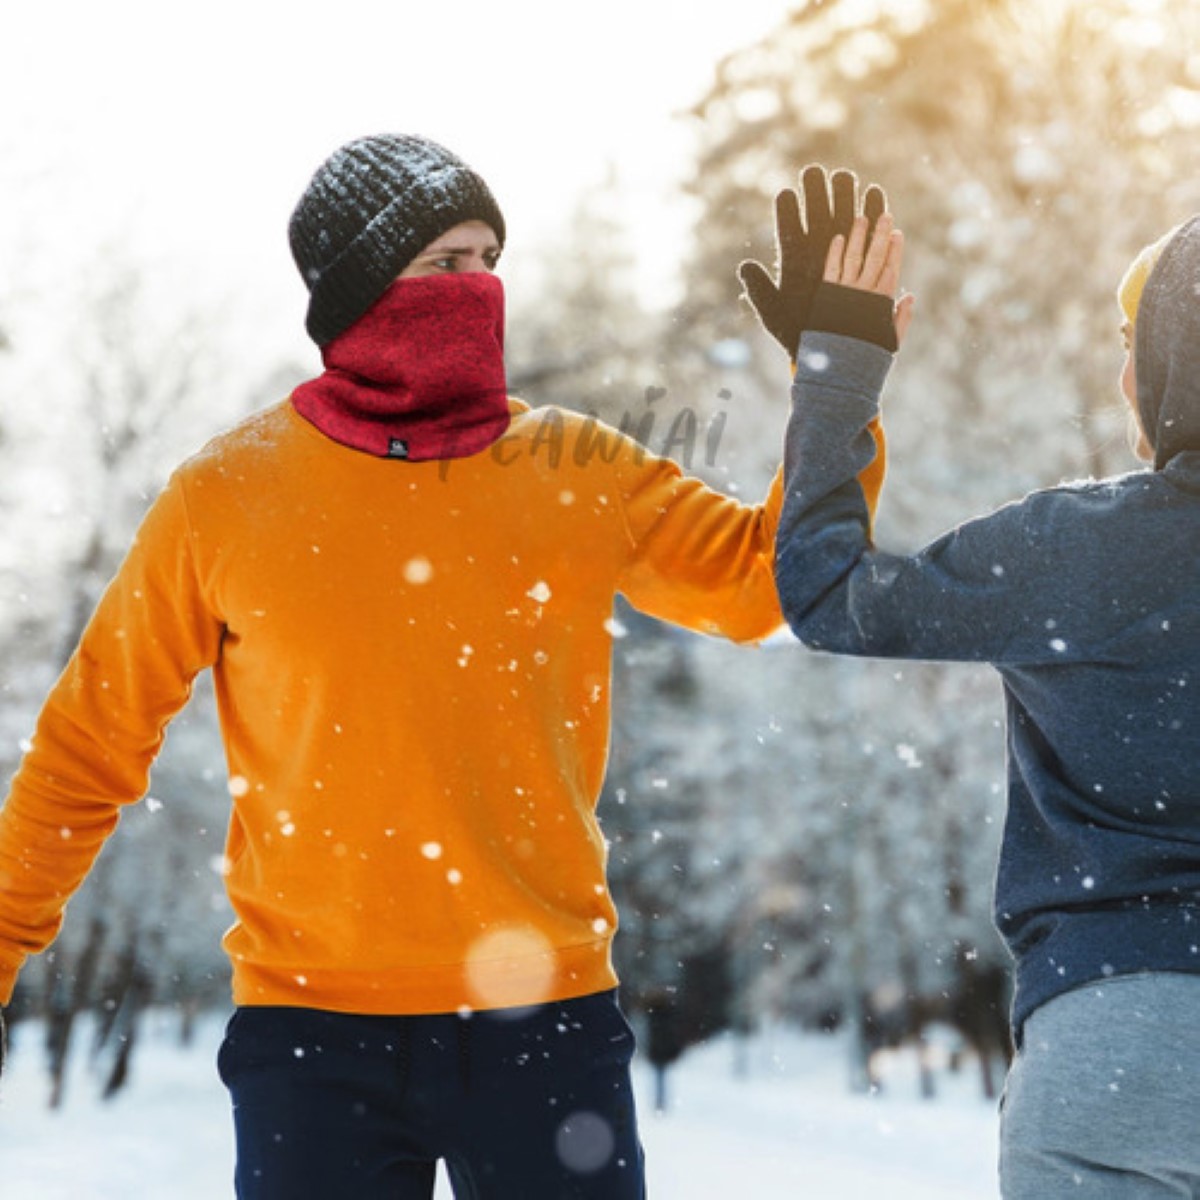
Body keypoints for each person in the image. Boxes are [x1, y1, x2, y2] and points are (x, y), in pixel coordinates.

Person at [0, 134, 885, 1198]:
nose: (475, 290)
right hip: (311, 1035)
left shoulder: (576, 467)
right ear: (359, 287)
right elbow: (93, 740)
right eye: (442, 264)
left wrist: (833, 387)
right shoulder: (226, 497)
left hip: (544, 1024)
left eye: (486, 261)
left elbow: (767, 583)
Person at [764, 198, 1200, 1196]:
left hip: (1116, 1048)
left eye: (1136, 343)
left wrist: (837, 369)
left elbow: (830, 594)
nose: (1123, 373)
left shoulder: (1080, 552)